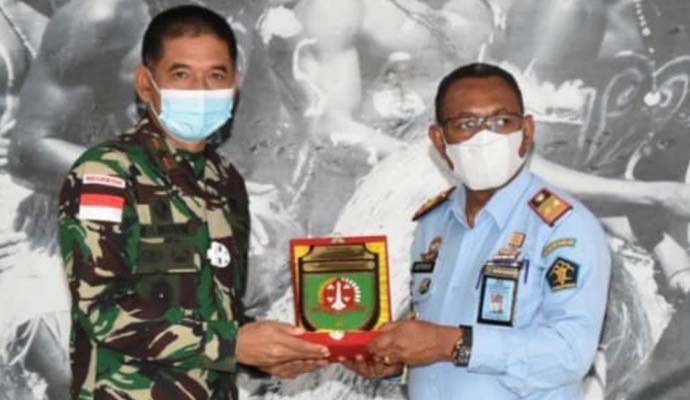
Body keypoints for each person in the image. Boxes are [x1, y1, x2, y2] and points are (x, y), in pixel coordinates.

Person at [57, 5, 327, 399]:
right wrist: (235, 344)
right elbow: (102, 309)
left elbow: (217, 310)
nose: (201, 90)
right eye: (181, 74)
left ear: (235, 82)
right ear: (145, 83)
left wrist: (266, 352)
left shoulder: (225, 181)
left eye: (216, 75)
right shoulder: (107, 173)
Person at [347, 63, 611, 399]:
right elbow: (433, 341)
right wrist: (396, 362)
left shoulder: (564, 226)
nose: (485, 137)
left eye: (502, 122)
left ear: (526, 131)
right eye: (466, 124)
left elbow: (570, 353)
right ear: (439, 140)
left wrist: (452, 343)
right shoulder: (433, 223)